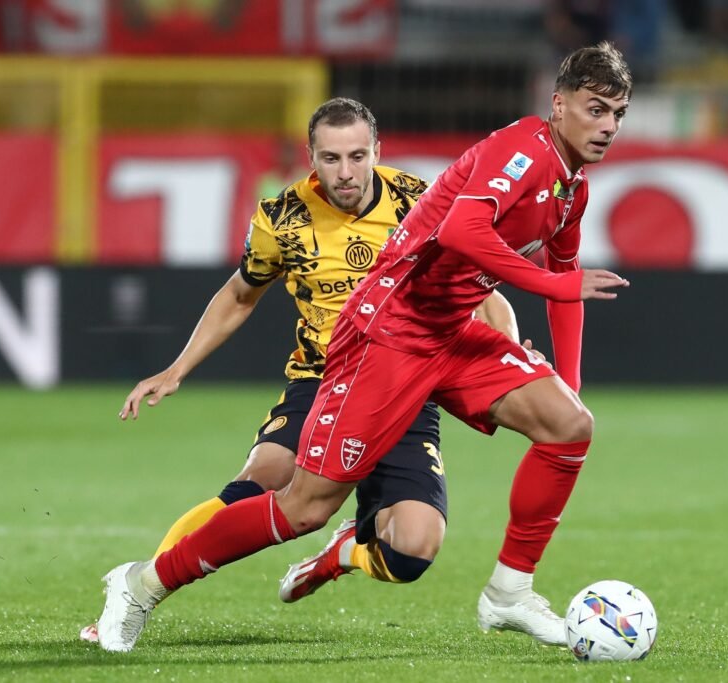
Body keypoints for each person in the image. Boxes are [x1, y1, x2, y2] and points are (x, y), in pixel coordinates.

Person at [95, 42, 633, 654]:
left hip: (449, 332)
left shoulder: (571, 189)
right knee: (302, 506)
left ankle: (509, 593)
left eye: (618, 113)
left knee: (569, 424)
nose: (609, 126)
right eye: (596, 110)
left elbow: (568, 286)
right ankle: (141, 584)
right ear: (559, 106)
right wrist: (551, 282)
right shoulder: (522, 149)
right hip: (387, 330)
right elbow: (464, 230)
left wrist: (568, 380)